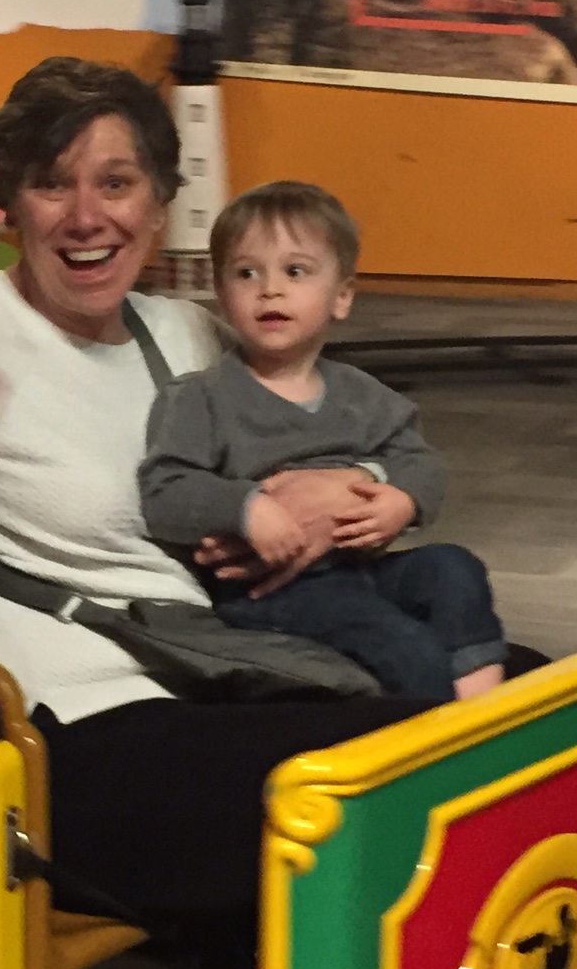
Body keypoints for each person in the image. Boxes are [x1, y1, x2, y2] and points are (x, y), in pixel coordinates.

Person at [0, 57, 447, 930]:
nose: (87, 217)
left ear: (159, 205)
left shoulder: (185, 331)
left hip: (227, 669)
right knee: (390, 765)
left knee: (512, 694)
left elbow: (333, 433)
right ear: (9, 205)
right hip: (67, 735)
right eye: (52, 184)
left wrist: (360, 486)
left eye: (116, 183)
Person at [138, 181, 507, 701]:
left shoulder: (362, 394)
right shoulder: (202, 396)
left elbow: (419, 461)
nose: (270, 289)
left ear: (341, 297)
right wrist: (246, 507)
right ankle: (441, 745)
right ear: (223, 295)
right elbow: (164, 488)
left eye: (295, 271)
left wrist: (401, 499)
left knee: (453, 568)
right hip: (270, 590)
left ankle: (484, 700)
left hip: (360, 567)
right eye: (247, 273)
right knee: (401, 644)